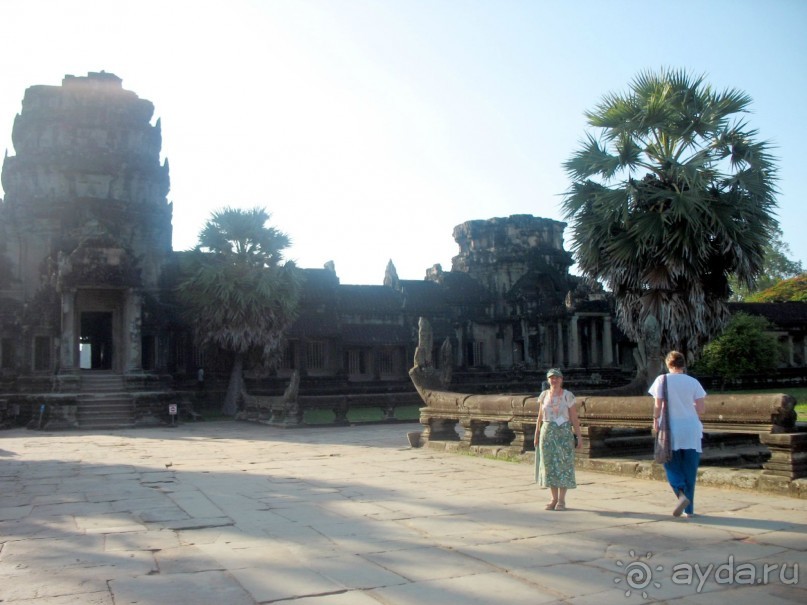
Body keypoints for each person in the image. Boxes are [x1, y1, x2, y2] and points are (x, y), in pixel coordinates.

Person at [649, 350, 706, 518]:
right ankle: (690, 510)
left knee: (671, 464)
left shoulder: (662, 380)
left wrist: (655, 420)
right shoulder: (693, 382)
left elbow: (658, 406)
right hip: (691, 428)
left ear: (668, 364)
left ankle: (681, 494)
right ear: (683, 364)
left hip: (671, 429)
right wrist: (688, 406)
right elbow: (701, 409)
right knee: (690, 468)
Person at [534, 368, 582, 511]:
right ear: (548, 380)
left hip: (564, 433)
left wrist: (579, 437)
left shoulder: (568, 396)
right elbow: (540, 416)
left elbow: (574, 417)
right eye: (551, 378)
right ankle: (553, 498)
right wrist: (536, 434)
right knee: (549, 465)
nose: (554, 380)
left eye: (557, 378)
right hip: (547, 432)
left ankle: (562, 500)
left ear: (562, 380)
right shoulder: (544, 395)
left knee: (563, 464)